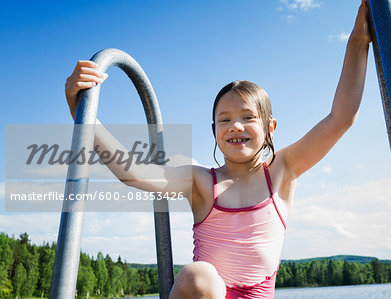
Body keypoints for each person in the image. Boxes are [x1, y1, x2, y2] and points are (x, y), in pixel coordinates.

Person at [65, 1, 371, 298]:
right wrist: (81, 110)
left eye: (248, 117)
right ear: (214, 132)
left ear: (270, 128)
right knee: (200, 276)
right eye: (224, 120)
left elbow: (340, 119)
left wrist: (358, 41)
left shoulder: (283, 170)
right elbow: (133, 173)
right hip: (205, 294)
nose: (235, 126)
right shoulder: (200, 181)